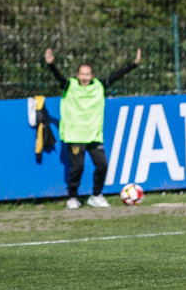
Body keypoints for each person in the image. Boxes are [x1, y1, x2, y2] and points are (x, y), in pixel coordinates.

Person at [45, 48, 142, 209]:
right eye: (82, 74)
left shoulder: (99, 86)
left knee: (102, 165)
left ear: (92, 76)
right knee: (78, 168)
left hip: (94, 134)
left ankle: (96, 195)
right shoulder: (70, 85)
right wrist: (51, 65)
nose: (84, 77)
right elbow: (59, 78)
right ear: (77, 75)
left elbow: (117, 75)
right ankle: (72, 197)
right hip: (75, 135)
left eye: (87, 74)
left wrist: (134, 64)